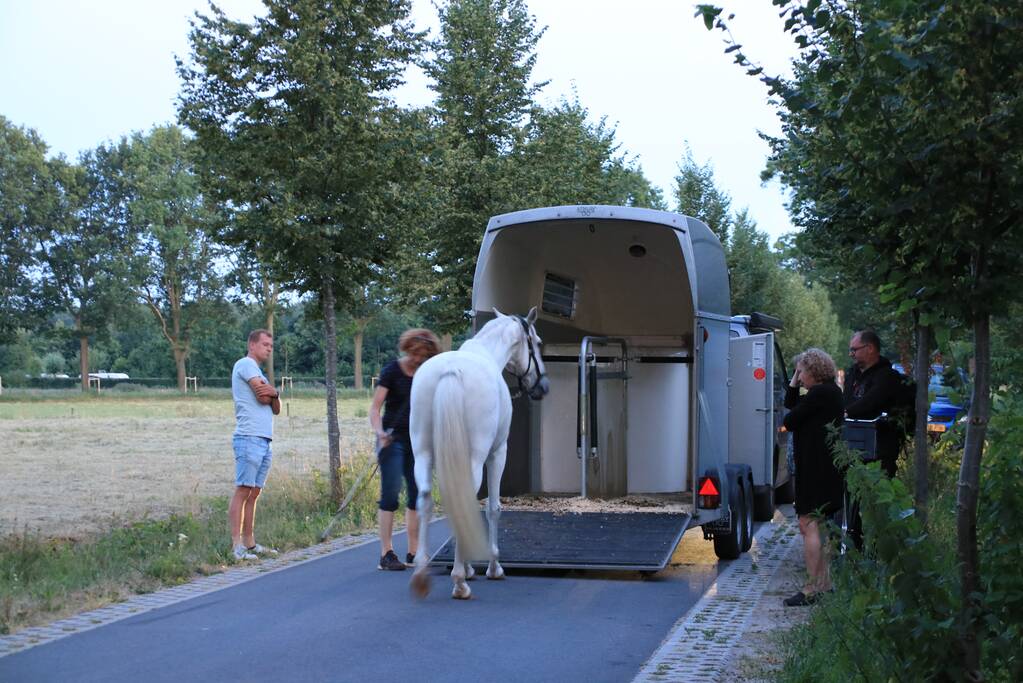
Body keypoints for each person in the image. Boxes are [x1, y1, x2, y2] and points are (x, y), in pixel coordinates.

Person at [369, 328, 442, 571]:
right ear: (407, 349)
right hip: (392, 439)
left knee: (416, 493)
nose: (418, 360)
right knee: (390, 492)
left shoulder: (428, 374)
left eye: (423, 356)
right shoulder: (392, 370)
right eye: (415, 355)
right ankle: (386, 553)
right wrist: (380, 433)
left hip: (418, 441)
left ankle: (414, 551)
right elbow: (375, 408)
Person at [782, 348, 845, 607]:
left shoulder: (819, 394)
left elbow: (790, 418)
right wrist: (795, 380)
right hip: (827, 468)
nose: (800, 377)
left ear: (813, 372)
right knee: (822, 526)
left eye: (802, 372)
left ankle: (811, 588)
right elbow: (791, 403)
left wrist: (795, 381)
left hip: (814, 468)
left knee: (808, 524)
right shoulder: (832, 393)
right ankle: (824, 583)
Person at [228, 329, 281, 561]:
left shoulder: (261, 373)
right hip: (248, 437)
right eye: (265, 344)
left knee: (254, 492)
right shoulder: (246, 364)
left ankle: (250, 543)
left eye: (271, 345)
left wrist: (275, 392)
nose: (269, 348)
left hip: (264, 439)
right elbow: (261, 397)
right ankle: (236, 546)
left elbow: (276, 407)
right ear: (252, 345)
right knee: (243, 489)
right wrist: (270, 394)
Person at [843, 330, 904, 477]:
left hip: (879, 448)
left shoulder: (887, 376)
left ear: (870, 348)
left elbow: (871, 401)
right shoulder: (852, 374)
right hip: (853, 444)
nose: (851, 354)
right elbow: (846, 399)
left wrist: (846, 412)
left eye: (854, 350)